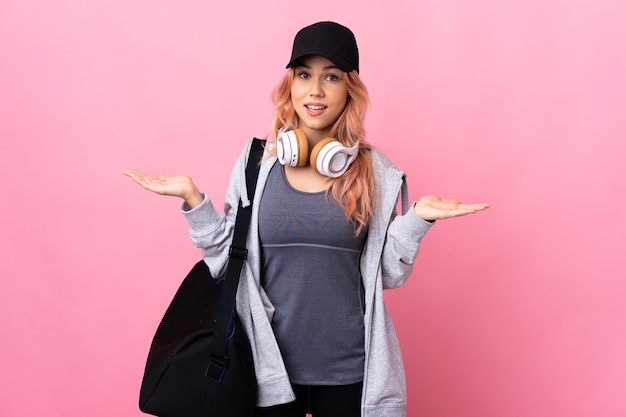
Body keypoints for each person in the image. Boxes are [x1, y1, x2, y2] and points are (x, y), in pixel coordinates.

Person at [124, 21, 489, 417]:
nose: (315, 90)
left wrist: (416, 219)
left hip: (351, 372)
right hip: (266, 372)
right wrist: (195, 202)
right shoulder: (254, 164)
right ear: (290, 86)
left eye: (331, 76)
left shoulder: (376, 172)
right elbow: (225, 264)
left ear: (349, 89)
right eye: (304, 75)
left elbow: (387, 275)